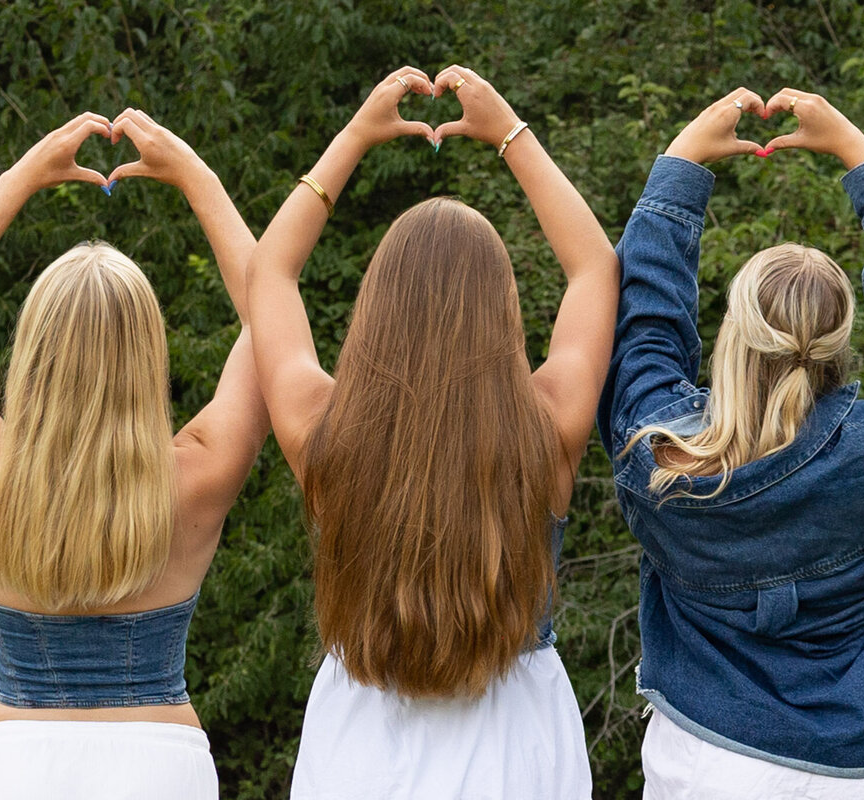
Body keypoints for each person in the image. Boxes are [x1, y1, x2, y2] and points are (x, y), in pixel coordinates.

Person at [597, 87, 864, 799]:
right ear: (839, 343)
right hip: (853, 777)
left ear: (736, 336)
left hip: (699, 767)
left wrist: (680, 169)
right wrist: (861, 158)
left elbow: (639, 326)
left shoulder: (663, 457)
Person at [245, 65, 619, 799]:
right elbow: (594, 271)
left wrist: (354, 136)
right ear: (503, 313)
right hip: (518, 747)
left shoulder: (327, 437)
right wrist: (508, 132)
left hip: (358, 747)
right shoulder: (546, 436)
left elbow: (271, 273)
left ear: (373, 314)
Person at [0, 110, 268, 798]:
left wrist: (23, 176)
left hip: (22, 764)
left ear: (33, 354)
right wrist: (196, 177)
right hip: (163, 766)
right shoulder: (199, 472)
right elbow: (268, 314)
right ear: (147, 357)